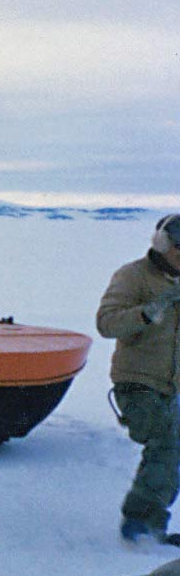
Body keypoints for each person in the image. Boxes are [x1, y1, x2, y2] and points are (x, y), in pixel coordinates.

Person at [97, 214, 180, 545]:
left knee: (172, 448)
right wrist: (146, 314)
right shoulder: (133, 277)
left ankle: (150, 521)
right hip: (137, 383)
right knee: (167, 444)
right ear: (162, 245)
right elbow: (106, 323)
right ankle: (140, 523)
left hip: (171, 384)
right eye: (178, 247)